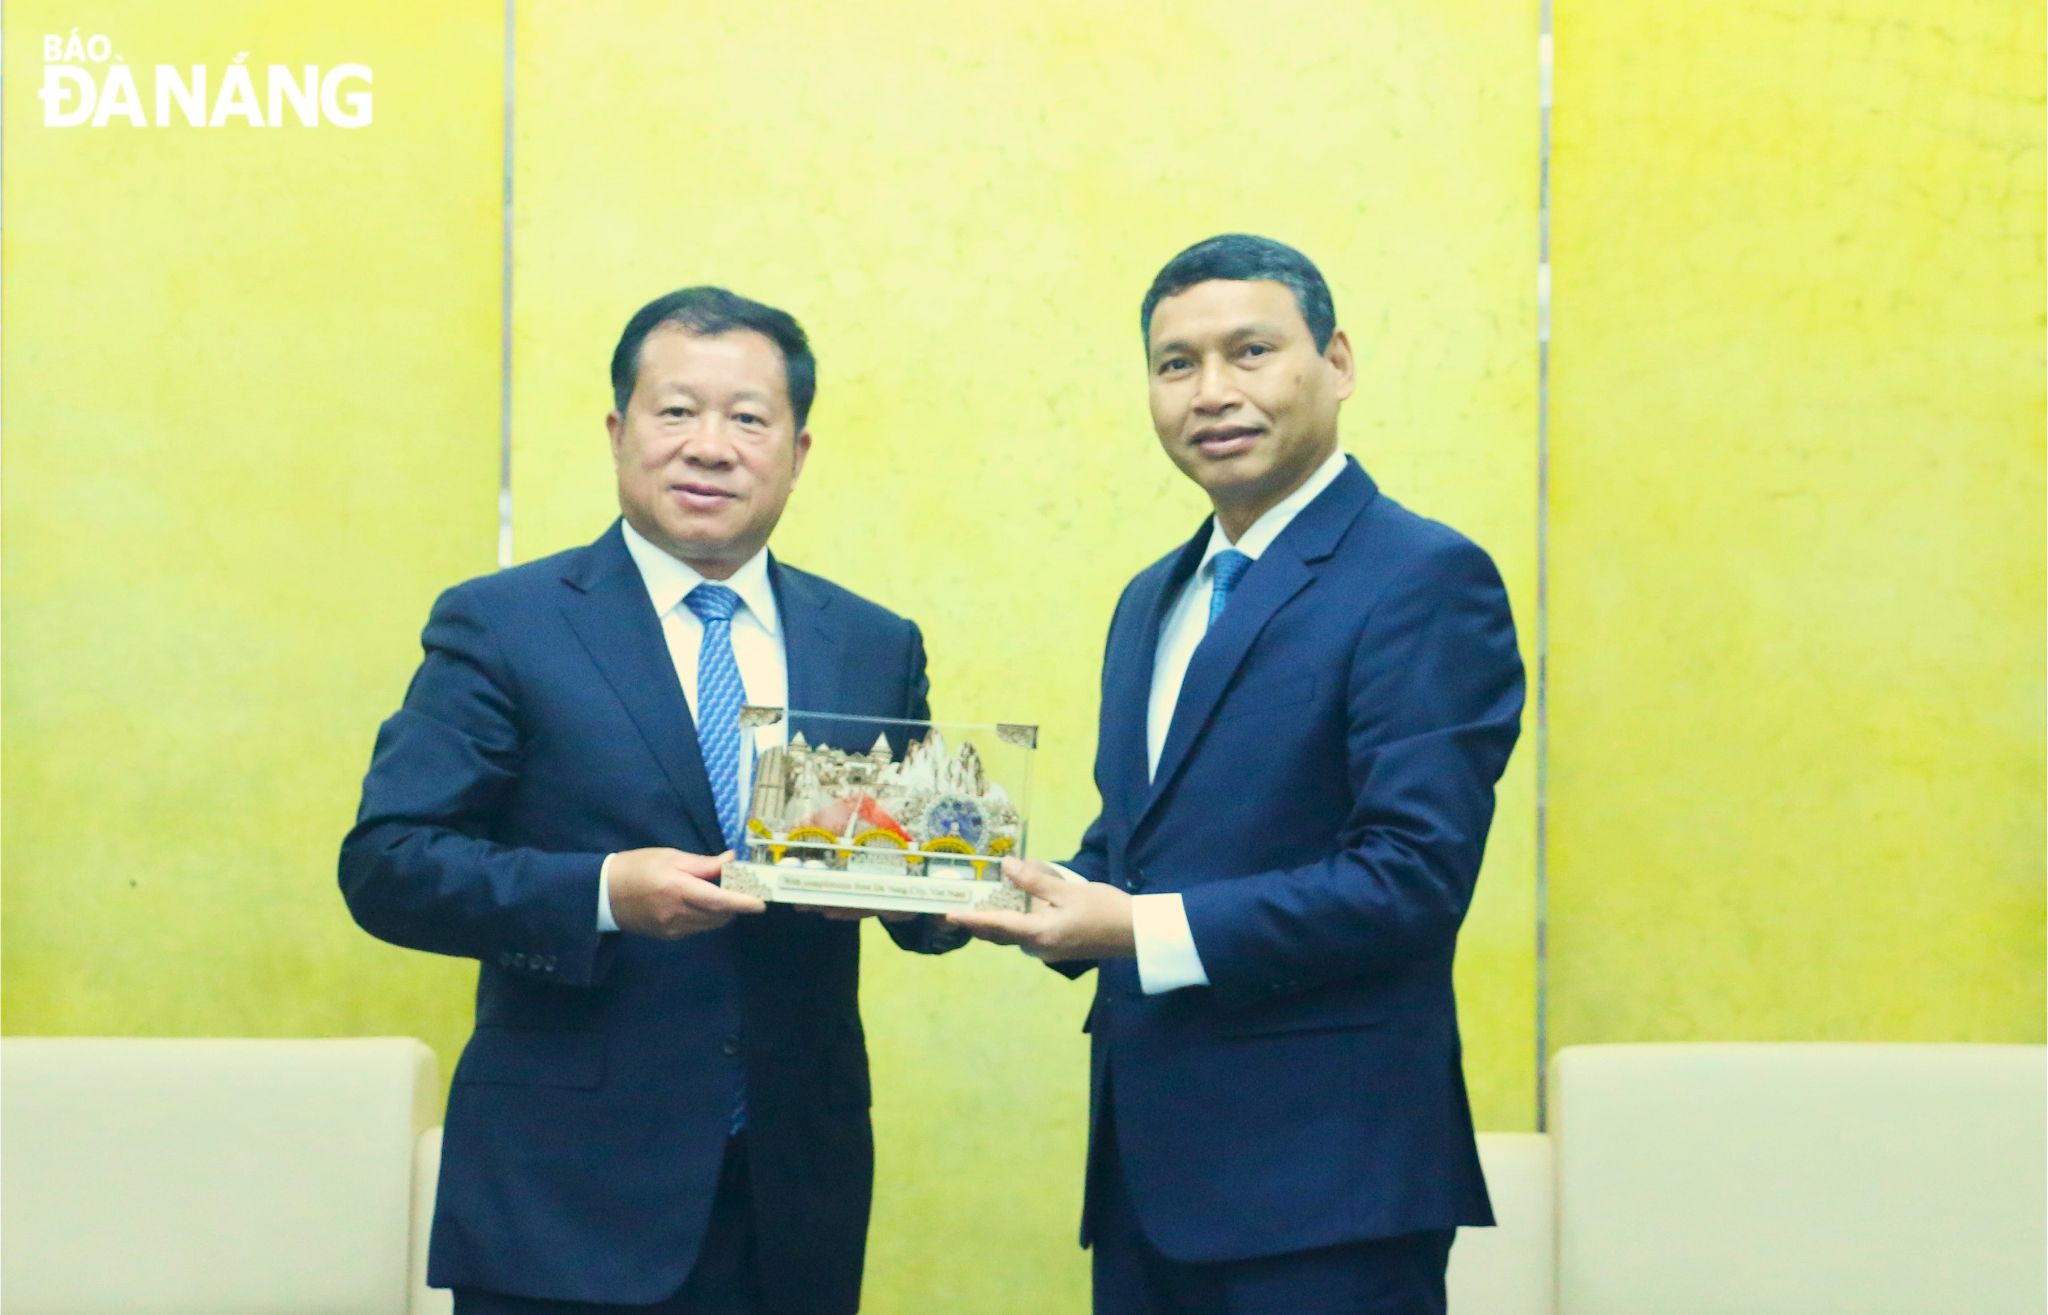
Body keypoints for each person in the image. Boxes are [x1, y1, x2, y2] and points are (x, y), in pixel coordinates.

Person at [341, 286, 959, 1315]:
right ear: (619, 432)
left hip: (789, 1194)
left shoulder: (870, 642)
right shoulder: (505, 624)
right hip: (563, 1197)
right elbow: (389, 865)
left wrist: (924, 893)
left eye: (747, 418)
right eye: (676, 412)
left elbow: (926, 887)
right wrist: (598, 893)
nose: (709, 446)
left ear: (796, 451)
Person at [951, 235, 1524, 1315]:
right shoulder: (1151, 597)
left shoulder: (1422, 578)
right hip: (1145, 1180)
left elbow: (1408, 879)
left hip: (1329, 1190)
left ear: (1337, 362)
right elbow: (1134, 850)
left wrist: (1129, 929)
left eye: (1249, 351)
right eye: (1175, 364)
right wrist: (944, 883)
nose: (1210, 392)